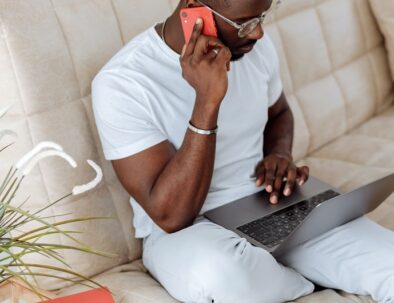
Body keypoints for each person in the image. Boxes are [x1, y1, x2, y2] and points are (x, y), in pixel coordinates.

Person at [92, 0, 394, 302]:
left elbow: (279, 113)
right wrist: (207, 101)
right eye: (246, 23)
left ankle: (278, 272)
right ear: (195, 8)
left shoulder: (252, 48)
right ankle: (297, 278)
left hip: (267, 205)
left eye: (262, 16)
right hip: (186, 232)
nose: (258, 33)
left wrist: (279, 155)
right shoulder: (122, 83)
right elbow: (171, 216)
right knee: (221, 274)